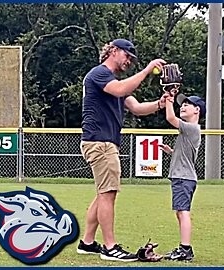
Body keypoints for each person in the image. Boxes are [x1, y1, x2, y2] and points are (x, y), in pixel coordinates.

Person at [76, 38, 168, 262]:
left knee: (102, 194)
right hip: (101, 141)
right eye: (127, 56)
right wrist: (147, 70)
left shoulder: (112, 81)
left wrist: (159, 103)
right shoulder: (99, 74)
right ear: (113, 51)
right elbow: (119, 90)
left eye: (132, 59)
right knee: (109, 193)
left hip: (104, 141)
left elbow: (136, 108)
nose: (129, 61)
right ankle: (110, 247)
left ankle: (87, 243)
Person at [159, 92, 206, 262]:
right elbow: (186, 156)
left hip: (183, 178)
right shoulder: (188, 131)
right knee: (180, 212)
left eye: (188, 104)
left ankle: (185, 249)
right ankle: (183, 248)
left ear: (197, 110)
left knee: (183, 212)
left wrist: (169, 100)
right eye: (182, 104)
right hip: (184, 177)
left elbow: (171, 118)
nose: (183, 106)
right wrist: (171, 152)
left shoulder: (191, 128)